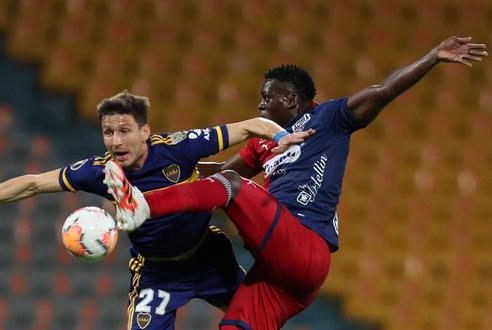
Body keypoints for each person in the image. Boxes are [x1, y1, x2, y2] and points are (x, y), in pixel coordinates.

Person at [102, 36, 487, 329]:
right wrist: (152, 169)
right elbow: (211, 178)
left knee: (233, 186)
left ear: (290, 98)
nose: (259, 106)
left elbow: (382, 91)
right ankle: (144, 202)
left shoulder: (330, 118)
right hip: (279, 276)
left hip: (303, 246)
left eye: (265, 98)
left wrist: (433, 57)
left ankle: (144, 206)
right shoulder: (265, 143)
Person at [0, 90, 312, 329]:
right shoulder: (98, 171)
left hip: (208, 256)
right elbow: (29, 182)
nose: (115, 140)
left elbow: (249, 126)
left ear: (145, 131)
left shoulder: (180, 148)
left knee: (258, 319)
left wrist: (279, 135)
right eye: (108, 132)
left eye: (124, 130)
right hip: (157, 272)